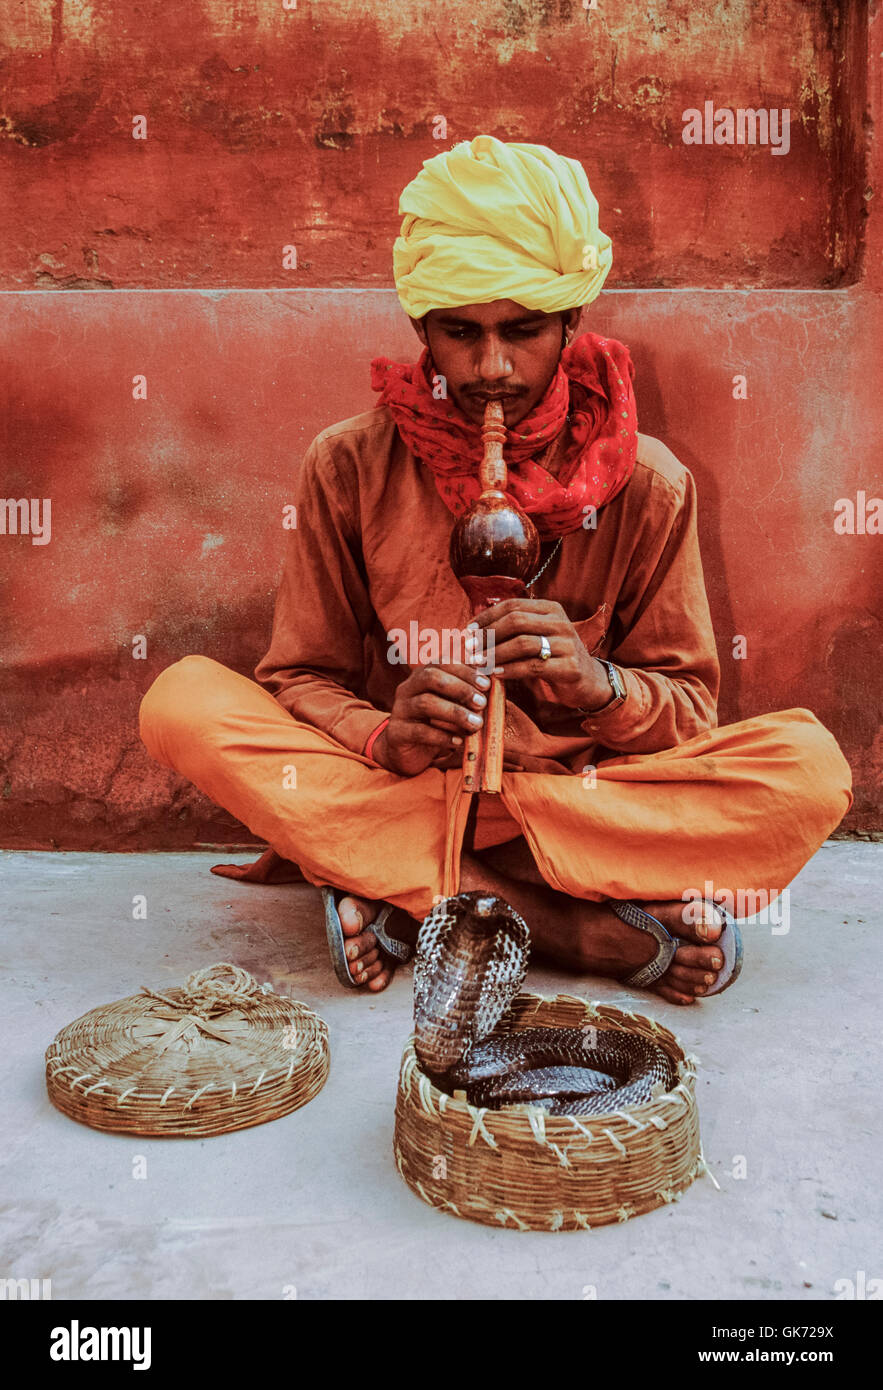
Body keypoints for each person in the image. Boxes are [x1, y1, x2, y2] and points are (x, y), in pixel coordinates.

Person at [139, 135, 852, 1005]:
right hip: (405, 783)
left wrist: (596, 687)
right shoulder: (348, 464)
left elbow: (689, 711)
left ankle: (411, 894)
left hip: (585, 801)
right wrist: (381, 735)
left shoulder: (651, 481)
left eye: (522, 332)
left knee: (807, 768)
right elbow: (298, 675)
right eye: (459, 334)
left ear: (570, 324)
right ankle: (563, 925)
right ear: (421, 331)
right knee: (182, 701)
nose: (490, 370)